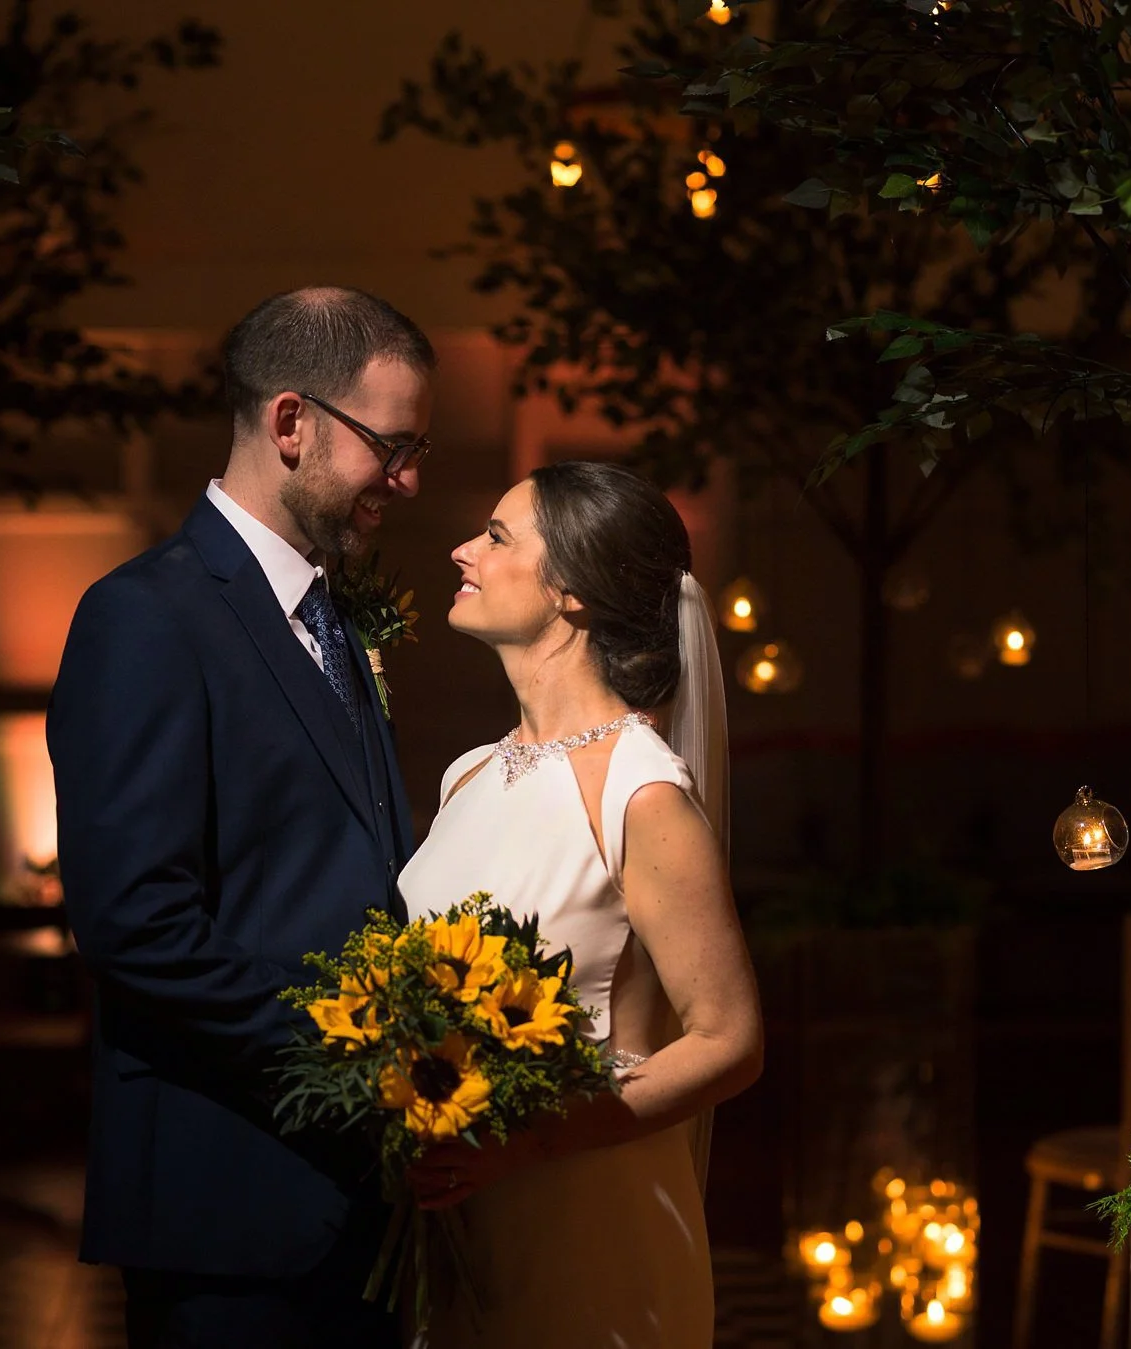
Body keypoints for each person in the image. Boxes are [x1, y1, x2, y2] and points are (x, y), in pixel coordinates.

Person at [47, 286, 435, 1349]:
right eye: (390, 445)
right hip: (228, 1199)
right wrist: (364, 1061)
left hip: (358, 1201)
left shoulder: (334, 619)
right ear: (290, 421)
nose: (405, 481)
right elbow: (134, 922)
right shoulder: (145, 614)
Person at [396, 459, 764, 1349]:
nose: (462, 550)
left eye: (494, 536)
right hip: (453, 1222)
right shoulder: (468, 775)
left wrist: (523, 1145)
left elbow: (730, 1041)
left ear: (573, 592)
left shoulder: (641, 792)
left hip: (592, 1223)